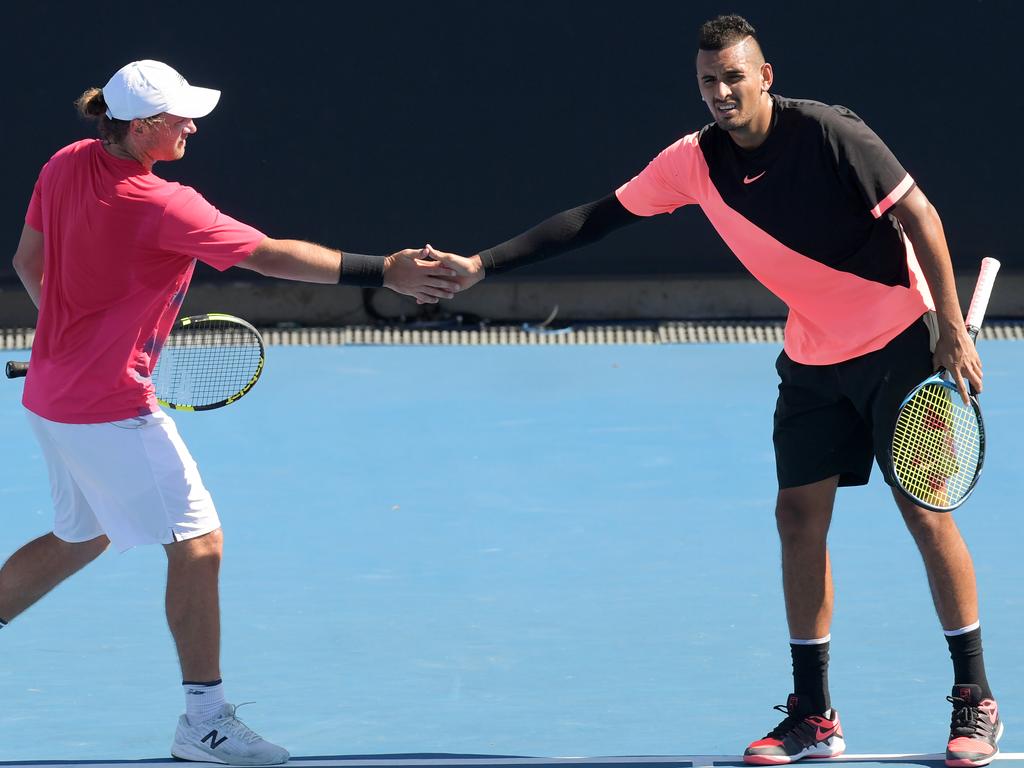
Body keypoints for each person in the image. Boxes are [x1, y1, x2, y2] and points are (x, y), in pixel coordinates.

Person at [425, 15, 1002, 768]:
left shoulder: (830, 134)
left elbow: (920, 217)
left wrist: (951, 328)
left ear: (765, 75)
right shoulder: (693, 162)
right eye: (708, 81)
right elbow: (595, 218)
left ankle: (974, 696)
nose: (721, 92)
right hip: (813, 356)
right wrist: (483, 263)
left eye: (734, 77)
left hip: (900, 342)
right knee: (797, 519)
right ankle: (814, 714)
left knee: (926, 517)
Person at [7, 59, 457, 765]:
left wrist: (69, 338)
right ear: (146, 126)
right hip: (107, 408)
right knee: (199, 542)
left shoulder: (65, 163)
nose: (192, 125)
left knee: (81, 536)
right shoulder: (166, 204)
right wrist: (386, 270)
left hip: (50, 397)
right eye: (181, 116)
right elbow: (270, 256)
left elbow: (29, 262)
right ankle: (204, 722)